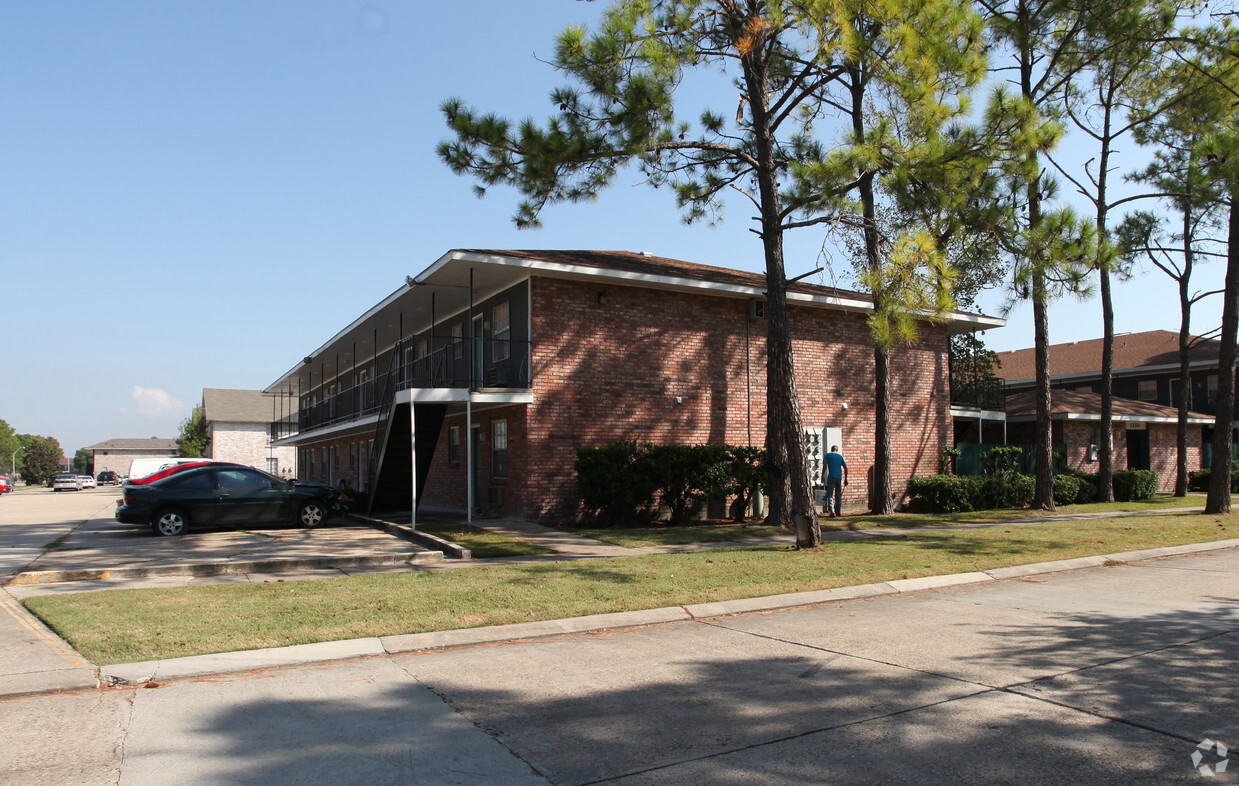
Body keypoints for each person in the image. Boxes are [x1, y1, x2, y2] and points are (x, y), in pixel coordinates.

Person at [821, 444, 848, 518]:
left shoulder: (827, 456)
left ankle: (832, 510)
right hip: (839, 477)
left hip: (831, 477)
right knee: (838, 495)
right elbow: (845, 468)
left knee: (830, 494)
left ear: (831, 449)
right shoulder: (840, 457)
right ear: (837, 450)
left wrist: (822, 475)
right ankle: (838, 511)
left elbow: (825, 466)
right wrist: (846, 479)